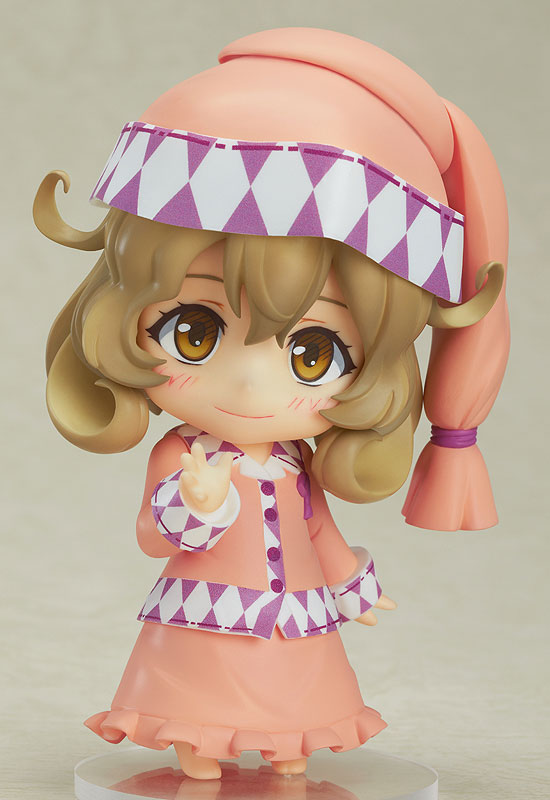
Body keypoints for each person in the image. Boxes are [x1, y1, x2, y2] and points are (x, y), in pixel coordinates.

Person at [34, 28, 509, 780]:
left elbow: (320, 530)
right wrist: (197, 502)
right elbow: (155, 534)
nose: (252, 386)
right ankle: (199, 757)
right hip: (205, 621)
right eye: (194, 332)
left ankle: (290, 754)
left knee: (298, 725)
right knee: (198, 718)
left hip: (295, 625)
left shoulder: (296, 465)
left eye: (313, 355)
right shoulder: (186, 453)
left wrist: (348, 582)